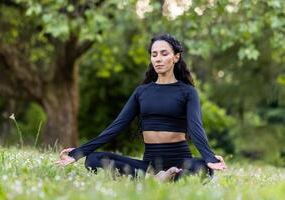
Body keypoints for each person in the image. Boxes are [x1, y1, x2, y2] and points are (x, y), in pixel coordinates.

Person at [55, 33, 226, 182]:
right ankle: (157, 178)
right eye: (154, 55)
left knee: (205, 168)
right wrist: (79, 152)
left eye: (164, 54)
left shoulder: (188, 92)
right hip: (149, 165)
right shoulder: (142, 92)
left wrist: (209, 157)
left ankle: (161, 178)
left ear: (176, 57)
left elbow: (196, 128)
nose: (158, 59)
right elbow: (117, 126)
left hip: (181, 161)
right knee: (93, 159)